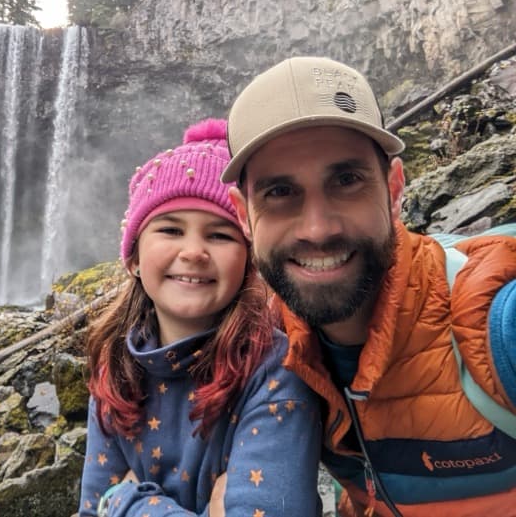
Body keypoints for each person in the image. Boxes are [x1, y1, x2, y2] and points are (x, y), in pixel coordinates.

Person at [221, 56, 516, 516]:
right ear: (243, 215)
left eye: (346, 180)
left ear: (394, 187)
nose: (317, 229)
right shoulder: (261, 345)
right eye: (280, 192)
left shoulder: (494, 323)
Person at [78, 118, 322, 517]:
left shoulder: (277, 370)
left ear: (248, 261)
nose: (193, 251)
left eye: (220, 235)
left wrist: (124, 502)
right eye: (171, 230)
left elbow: (103, 504)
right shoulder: (114, 369)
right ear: (135, 257)